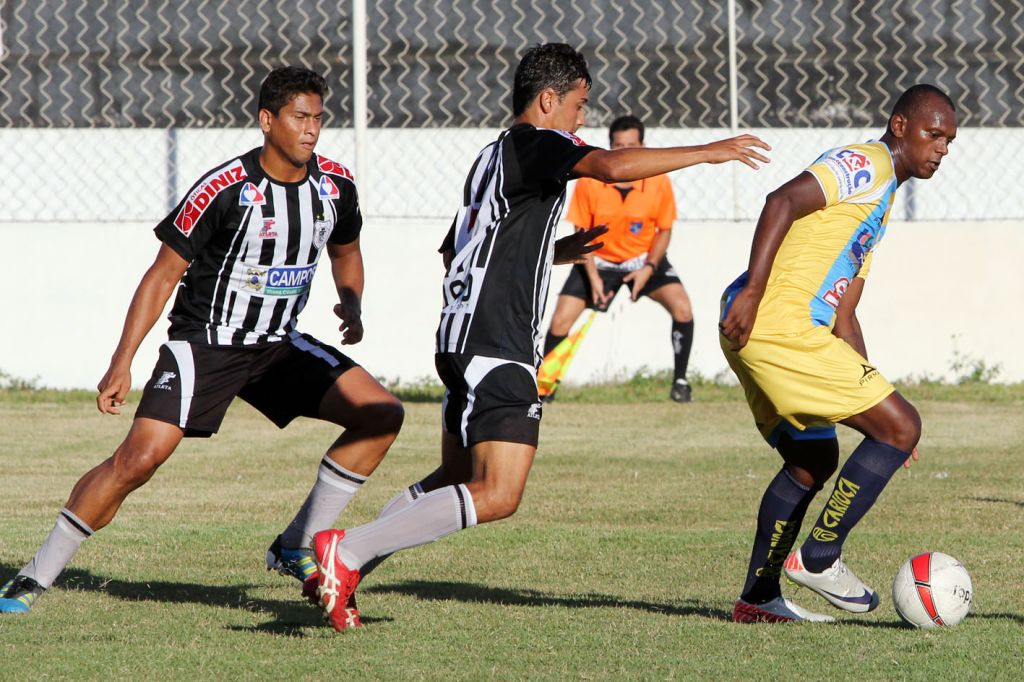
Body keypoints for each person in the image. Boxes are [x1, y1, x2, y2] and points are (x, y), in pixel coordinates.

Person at [308, 42, 771, 631]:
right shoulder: (539, 142)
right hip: (496, 342)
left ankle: (341, 569)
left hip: (461, 338)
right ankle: (346, 552)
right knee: (499, 493)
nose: (583, 118)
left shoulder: (491, 156)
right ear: (548, 99)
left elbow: (458, 249)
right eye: (580, 104)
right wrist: (710, 151)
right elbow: (611, 167)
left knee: (455, 477)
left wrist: (549, 251)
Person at [0, 67, 404, 614]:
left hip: (277, 346)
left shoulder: (335, 186)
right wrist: (122, 361)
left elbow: (347, 248)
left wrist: (351, 301)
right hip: (206, 344)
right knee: (139, 459)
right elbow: (162, 274)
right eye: (299, 117)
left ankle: (298, 544)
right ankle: (34, 575)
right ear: (267, 120)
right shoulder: (224, 189)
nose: (311, 129)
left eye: (318, 118)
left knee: (381, 414)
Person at [719, 84, 957, 623]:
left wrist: (885, 418)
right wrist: (755, 290)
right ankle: (820, 556)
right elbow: (781, 200)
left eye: (949, 141)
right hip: (775, 322)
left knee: (814, 458)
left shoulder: (880, 202)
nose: (942, 148)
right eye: (934, 134)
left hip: (765, 326)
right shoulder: (866, 164)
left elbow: (845, 315)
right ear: (900, 126)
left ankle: (758, 599)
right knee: (901, 426)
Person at [543, 114, 696, 402]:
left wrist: (648, 268)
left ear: (643, 147)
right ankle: (543, 387)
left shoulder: (658, 181)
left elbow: (664, 231)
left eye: (631, 146)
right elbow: (581, 233)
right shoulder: (591, 181)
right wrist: (594, 280)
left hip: (643, 260)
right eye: (618, 146)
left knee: (683, 309)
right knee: (561, 320)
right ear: (610, 147)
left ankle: (681, 382)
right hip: (596, 260)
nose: (625, 152)